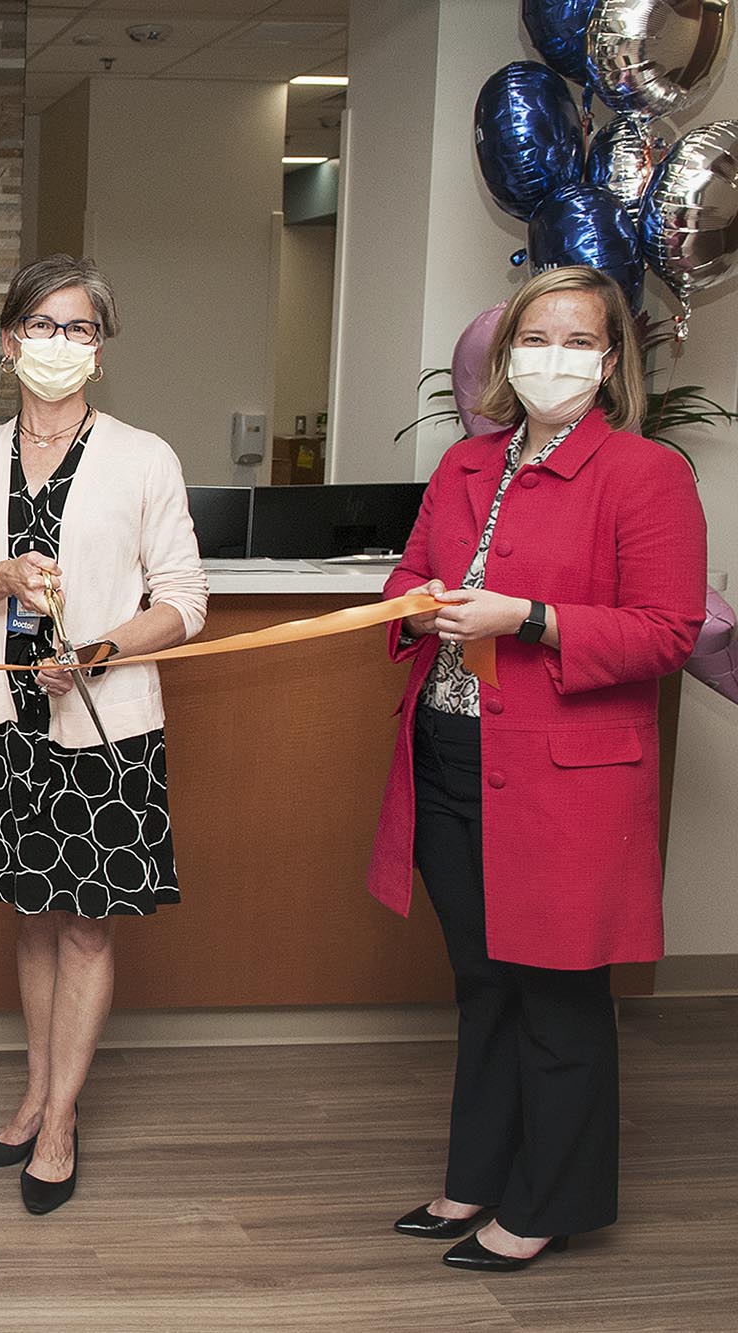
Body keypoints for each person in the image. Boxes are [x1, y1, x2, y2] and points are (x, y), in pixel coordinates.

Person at [370, 265, 706, 1271]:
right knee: (481, 982)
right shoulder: (465, 464)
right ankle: (475, 1174)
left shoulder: (643, 474)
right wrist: (415, 604)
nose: (550, 357)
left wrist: (527, 618)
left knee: (557, 991)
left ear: (608, 363)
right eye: (534, 337)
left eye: (575, 341)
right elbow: (404, 574)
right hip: (447, 751)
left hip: (566, 776)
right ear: (504, 352)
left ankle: (545, 1203)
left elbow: (666, 631)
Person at [0, 254, 206, 1216]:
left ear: (99, 348)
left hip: (103, 723)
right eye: (42, 326)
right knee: (32, 916)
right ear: (10, 342)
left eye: (79, 329)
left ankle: (61, 1121)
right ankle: (34, 1090)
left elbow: (185, 602)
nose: (60, 344)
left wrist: (102, 648)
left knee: (85, 925)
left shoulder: (142, 457)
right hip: (7, 723)